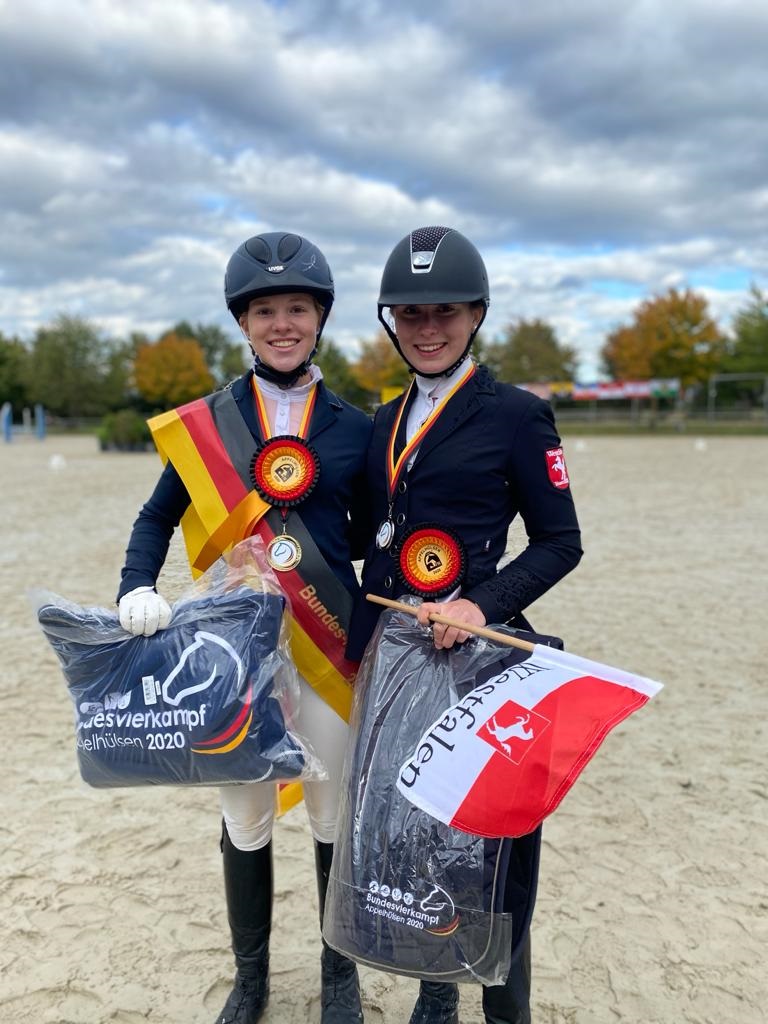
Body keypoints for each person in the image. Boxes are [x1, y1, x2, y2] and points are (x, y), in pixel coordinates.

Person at [117, 231, 372, 1024]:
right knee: (246, 815)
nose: (282, 323)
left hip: (329, 645)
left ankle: (339, 975)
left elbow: (376, 534)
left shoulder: (358, 428)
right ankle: (251, 978)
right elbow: (156, 517)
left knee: (330, 814)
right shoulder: (210, 424)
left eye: (297, 308)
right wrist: (135, 585)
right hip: (236, 654)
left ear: (320, 318)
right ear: (243, 322)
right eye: (266, 311)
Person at [347, 225, 583, 1024]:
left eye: (445, 311)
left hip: (478, 661)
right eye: (410, 314)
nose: (428, 328)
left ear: (477, 313)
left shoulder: (518, 415)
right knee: (413, 840)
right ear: (391, 321)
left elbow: (561, 542)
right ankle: (435, 988)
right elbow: (371, 535)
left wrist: (479, 603)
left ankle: (504, 1012)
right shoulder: (385, 419)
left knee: (492, 851)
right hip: (397, 661)